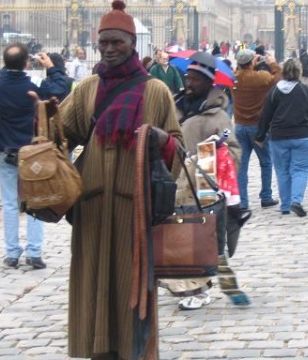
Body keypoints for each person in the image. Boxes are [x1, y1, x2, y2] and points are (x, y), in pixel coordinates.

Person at [57, 1, 183, 359]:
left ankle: (135, 352)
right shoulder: (86, 89)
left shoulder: (156, 90)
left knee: (131, 284)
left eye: (117, 43)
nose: (110, 50)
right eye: (104, 44)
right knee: (92, 280)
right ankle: (97, 351)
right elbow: (62, 135)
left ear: (132, 44)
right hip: (93, 208)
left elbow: (180, 148)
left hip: (135, 208)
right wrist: (44, 119)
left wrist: (163, 140)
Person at [161, 52, 242, 310]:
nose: (190, 83)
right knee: (175, 236)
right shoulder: (175, 105)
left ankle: (199, 289)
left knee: (198, 237)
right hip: (172, 182)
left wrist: (211, 154)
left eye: (196, 79)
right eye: (188, 77)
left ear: (209, 83)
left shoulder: (219, 117)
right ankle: (180, 283)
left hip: (201, 186)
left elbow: (233, 150)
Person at [0, 44, 68, 270]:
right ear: (26, 63)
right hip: (33, 153)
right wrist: (51, 67)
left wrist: (11, 66)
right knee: (35, 200)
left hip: (5, 150)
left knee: (10, 204)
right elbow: (61, 88)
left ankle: (12, 253)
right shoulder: (34, 86)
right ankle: (34, 252)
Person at [255, 58, 308, 217]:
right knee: (301, 170)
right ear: (299, 72)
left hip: (279, 136)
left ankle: (285, 206)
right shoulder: (305, 90)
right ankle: (296, 200)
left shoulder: (274, 91)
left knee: (282, 171)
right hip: (304, 135)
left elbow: (266, 115)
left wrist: (260, 135)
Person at [231, 48, 281, 211]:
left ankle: (243, 202)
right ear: (252, 62)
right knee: (266, 162)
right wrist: (272, 63)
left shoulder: (234, 79)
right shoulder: (260, 77)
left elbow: (239, 71)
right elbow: (277, 79)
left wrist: (251, 60)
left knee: (242, 166)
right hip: (258, 126)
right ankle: (266, 196)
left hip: (239, 126)